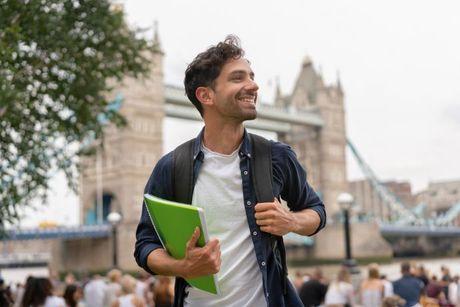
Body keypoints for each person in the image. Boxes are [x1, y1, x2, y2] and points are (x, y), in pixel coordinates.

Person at [134, 35, 327, 307]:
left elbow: (317, 211)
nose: (253, 85)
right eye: (238, 78)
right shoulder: (171, 166)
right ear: (205, 95)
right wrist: (183, 266)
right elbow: (145, 247)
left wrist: (292, 222)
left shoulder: (276, 157)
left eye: (251, 76)